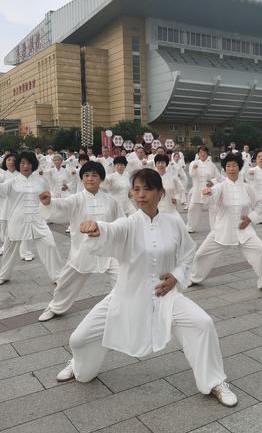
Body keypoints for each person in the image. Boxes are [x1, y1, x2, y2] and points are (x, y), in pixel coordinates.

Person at [55, 169, 237, 407]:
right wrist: (98, 228)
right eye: (136, 189)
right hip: (127, 295)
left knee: (202, 323)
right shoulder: (128, 224)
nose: (141, 195)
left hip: (165, 295)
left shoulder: (173, 222)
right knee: (78, 339)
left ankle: (214, 381)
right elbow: (112, 230)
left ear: (160, 193)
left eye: (147, 189)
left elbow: (188, 253)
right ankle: (78, 364)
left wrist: (176, 276)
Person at [37, 162, 124, 321]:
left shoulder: (111, 201)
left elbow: (121, 223)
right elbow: (61, 206)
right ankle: (56, 307)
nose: (90, 179)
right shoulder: (76, 199)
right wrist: (48, 202)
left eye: (94, 175)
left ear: (101, 179)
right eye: (86, 175)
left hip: (108, 251)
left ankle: (124, 308)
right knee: (66, 282)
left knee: (124, 278)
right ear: (82, 178)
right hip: (83, 250)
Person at [188, 153, 262, 294]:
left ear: (239, 167)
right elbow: (212, 195)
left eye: (234, 165)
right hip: (222, 230)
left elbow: (259, 204)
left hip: (244, 230)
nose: (231, 168)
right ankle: (194, 278)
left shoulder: (247, 187)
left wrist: (250, 218)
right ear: (224, 169)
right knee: (200, 255)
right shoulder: (221, 186)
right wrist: (207, 192)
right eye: (228, 166)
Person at [0, 152, 62, 285]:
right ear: (18, 165)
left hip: (37, 219)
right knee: (9, 249)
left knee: (50, 244)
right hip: (17, 219)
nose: (25, 166)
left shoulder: (41, 182)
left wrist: (49, 201)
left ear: (33, 165)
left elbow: (47, 198)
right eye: (22, 163)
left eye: (28, 163)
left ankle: (58, 276)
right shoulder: (11, 182)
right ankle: (3, 275)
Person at [186, 146, 223, 233]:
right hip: (197, 191)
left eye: (204, 152)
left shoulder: (211, 165)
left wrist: (212, 182)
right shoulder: (193, 163)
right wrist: (194, 168)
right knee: (193, 209)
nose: (203, 154)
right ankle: (190, 227)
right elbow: (191, 174)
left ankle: (214, 228)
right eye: (201, 152)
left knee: (213, 209)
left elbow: (218, 177)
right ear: (198, 154)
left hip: (209, 190)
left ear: (207, 154)